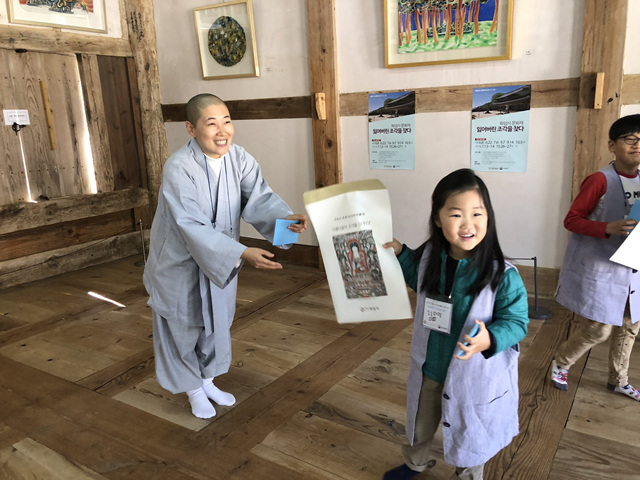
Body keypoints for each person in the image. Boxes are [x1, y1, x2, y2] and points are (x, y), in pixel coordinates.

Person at [143, 93, 307, 419]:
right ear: (191, 129)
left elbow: (259, 197)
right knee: (183, 325)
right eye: (211, 123)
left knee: (216, 322)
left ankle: (207, 380)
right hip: (180, 262)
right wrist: (242, 252)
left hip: (219, 258)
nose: (222, 131)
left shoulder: (239, 158)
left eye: (227, 121)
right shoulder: (179, 167)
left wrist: (287, 224)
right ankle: (192, 389)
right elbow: (190, 223)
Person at [382, 168, 529, 480]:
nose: (468, 224)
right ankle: (414, 463)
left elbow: (517, 322)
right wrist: (400, 253)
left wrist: (490, 339)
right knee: (419, 425)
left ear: (488, 217)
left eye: (477, 213)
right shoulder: (429, 258)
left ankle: (469, 475)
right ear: (437, 218)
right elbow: (416, 278)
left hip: (473, 377)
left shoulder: (503, 275)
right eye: (456, 214)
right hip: (430, 368)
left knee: (471, 431)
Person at [552, 114, 640, 401]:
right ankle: (561, 362)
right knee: (598, 329)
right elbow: (571, 220)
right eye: (630, 139)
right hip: (603, 268)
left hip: (633, 267)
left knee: (630, 325)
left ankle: (618, 380)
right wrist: (606, 228)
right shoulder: (600, 180)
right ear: (612, 145)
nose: (637, 145)